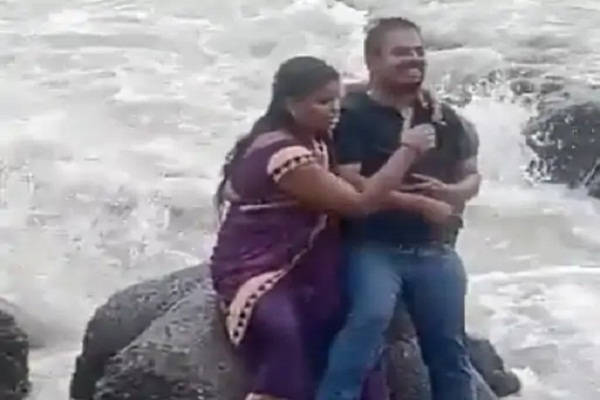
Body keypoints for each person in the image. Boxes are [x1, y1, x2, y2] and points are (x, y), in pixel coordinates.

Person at [209, 55, 452, 400]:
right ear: (291, 104)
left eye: (336, 99)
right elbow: (359, 204)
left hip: (308, 259)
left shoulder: (310, 129)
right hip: (259, 264)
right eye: (324, 102)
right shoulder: (285, 154)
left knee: (354, 325)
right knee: (285, 334)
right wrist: (408, 150)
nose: (336, 109)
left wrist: (409, 92)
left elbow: (349, 91)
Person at [317, 17, 481, 400]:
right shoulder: (351, 114)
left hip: (435, 249)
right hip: (373, 246)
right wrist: (419, 204)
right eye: (401, 52)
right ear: (373, 61)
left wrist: (452, 192)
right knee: (368, 321)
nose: (414, 59)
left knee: (449, 347)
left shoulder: (444, 117)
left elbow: (472, 175)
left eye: (419, 51)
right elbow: (349, 179)